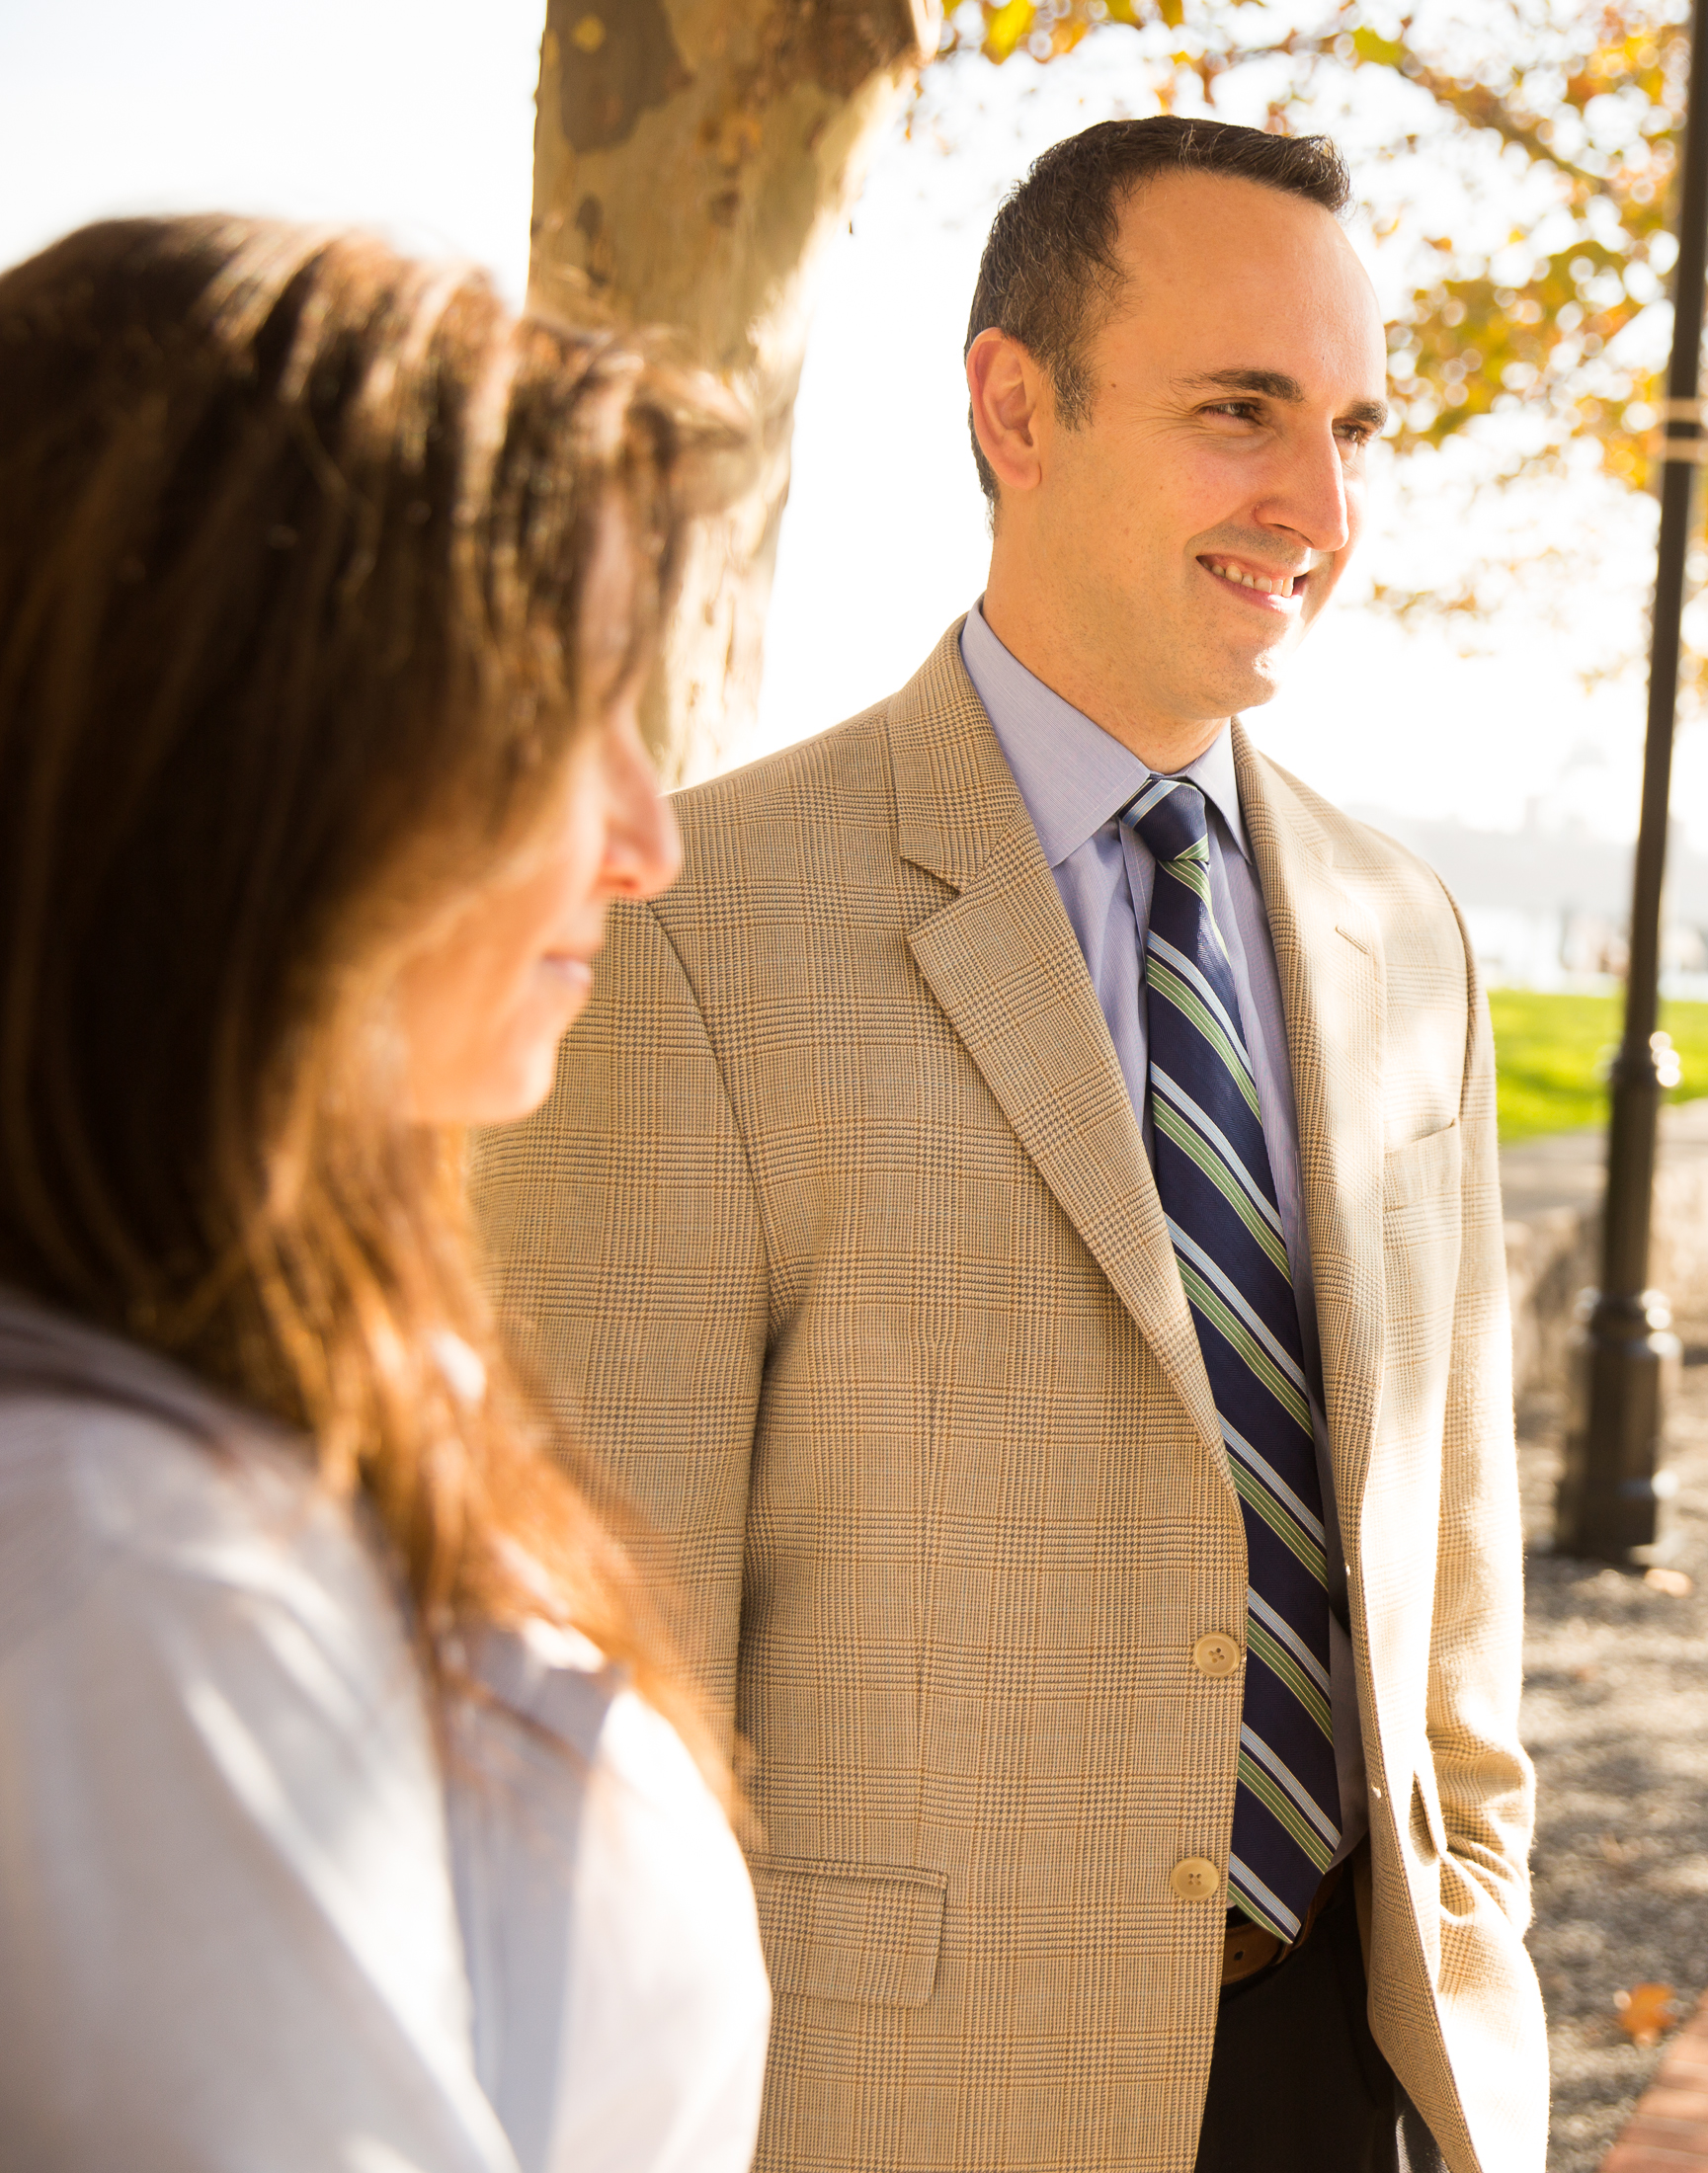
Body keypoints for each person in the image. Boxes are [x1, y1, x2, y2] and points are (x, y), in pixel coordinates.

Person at [475, 119, 1541, 2173]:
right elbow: (600, 1721)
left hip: (1366, 2079)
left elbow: (1458, 1607)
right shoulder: (690, 946)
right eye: (1244, 408)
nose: (1318, 504)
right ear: (1012, 404)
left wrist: (1474, 1955)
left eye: (1354, 427)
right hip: (899, 2110)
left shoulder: (1412, 938)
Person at [0, 217, 766, 2172]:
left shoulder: (211, 1444)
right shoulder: (128, 1579)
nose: (647, 836)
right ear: (288, 756)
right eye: (569, 716)